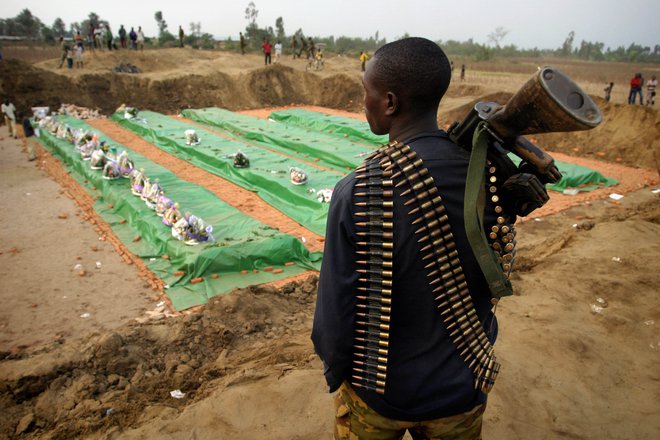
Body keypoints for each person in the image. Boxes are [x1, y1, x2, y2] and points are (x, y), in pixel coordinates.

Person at [312, 37, 513, 439]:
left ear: (389, 103)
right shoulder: (489, 177)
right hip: (462, 385)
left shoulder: (359, 189)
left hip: (379, 395)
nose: (362, 101)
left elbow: (334, 313)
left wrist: (339, 375)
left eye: (366, 93)